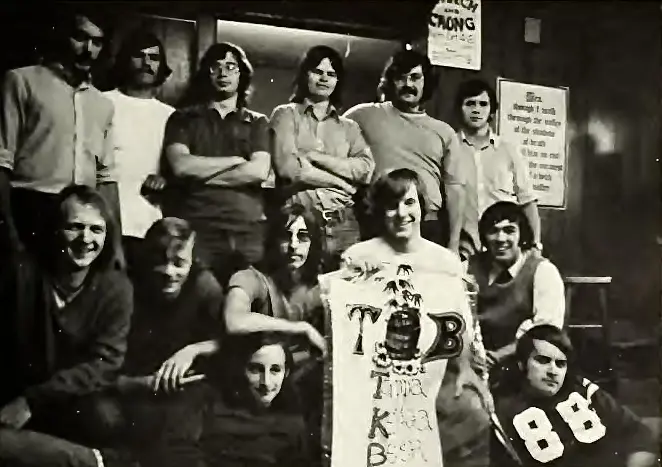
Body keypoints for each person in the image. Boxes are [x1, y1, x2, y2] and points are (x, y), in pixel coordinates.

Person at [341, 168, 490, 467]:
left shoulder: (445, 261)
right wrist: (357, 279)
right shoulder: (358, 255)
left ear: (422, 206)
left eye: (409, 203)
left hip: (432, 370)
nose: (401, 213)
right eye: (391, 205)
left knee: (473, 411)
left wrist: (466, 368)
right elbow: (347, 325)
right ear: (380, 212)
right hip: (375, 372)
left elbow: (460, 321)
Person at [0, 184, 132, 464]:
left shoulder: (116, 288)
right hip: (13, 391)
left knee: (107, 418)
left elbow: (105, 364)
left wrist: (34, 401)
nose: (85, 239)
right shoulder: (21, 274)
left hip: (68, 399)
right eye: (75, 227)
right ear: (56, 230)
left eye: (96, 230)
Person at [0, 6, 122, 266]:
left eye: (97, 42)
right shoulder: (21, 81)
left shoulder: (103, 105)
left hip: (84, 218)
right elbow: (2, 162)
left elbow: (107, 179)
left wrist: (116, 246)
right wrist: (8, 233)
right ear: (61, 37)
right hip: (31, 210)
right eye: (80, 38)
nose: (89, 49)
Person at [162, 42, 271, 285]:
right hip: (198, 227)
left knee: (244, 301)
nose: (223, 73)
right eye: (216, 67)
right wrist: (234, 161)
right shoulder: (183, 118)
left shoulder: (257, 122)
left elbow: (258, 171)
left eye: (231, 67)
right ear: (206, 73)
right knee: (200, 301)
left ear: (242, 74)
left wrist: (199, 172)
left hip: (247, 230)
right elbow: (181, 167)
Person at [491, 324, 658, 467]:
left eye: (560, 364)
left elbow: (638, 433)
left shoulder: (581, 389)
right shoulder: (504, 410)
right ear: (521, 364)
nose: (552, 371)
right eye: (542, 361)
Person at [136, 332, 310, 467]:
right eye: (255, 369)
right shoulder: (207, 400)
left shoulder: (293, 423)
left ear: (286, 373)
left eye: (275, 370)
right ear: (241, 369)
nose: (266, 382)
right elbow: (176, 450)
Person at [270, 45, 374, 270]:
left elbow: (365, 169)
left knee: (343, 295)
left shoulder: (349, 127)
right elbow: (290, 169)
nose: (324, 78)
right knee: (300, 295)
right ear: (305, 74)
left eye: (332, 74)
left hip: (343, 223)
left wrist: (314, 157)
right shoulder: (285, 114)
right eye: (318, 71)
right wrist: (340, 182)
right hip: (298, 224)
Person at [344, 50, 462, 247]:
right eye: (400, 78)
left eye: (415, 78)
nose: (408, 84)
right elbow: (329, 138)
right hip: (377, 221)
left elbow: (456, 192)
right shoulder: (362, 115)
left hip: (427, 226)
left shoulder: (444, 132)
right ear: (390, 82)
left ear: (427, 82)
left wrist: (454, 245)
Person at [104, 30, 175, 269]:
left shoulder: (171, 116)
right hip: (104, 220)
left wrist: (165, 180)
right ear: (125, 60)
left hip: (149, 222)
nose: (147, 63)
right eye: (139, 56)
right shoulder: (102, 103)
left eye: (154, 57)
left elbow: (176, 169)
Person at [467, 201, 564, 374]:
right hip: (472, 363)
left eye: (509, 230)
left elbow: (546, 333)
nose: (500, 239)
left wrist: (498, 356)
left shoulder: (542, 272)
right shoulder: (468, 267)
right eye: (493, 231)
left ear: (523, 236)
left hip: (520, 364)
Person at [449, 79, 541, 260]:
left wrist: (536, 245)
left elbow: (528, 201)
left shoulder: (509, 150)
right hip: (465, 250)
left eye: (483, 104)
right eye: (470, 103)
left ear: (492, 110)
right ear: (460, 108)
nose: (476, 109)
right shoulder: (449, 149)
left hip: (505, 247)